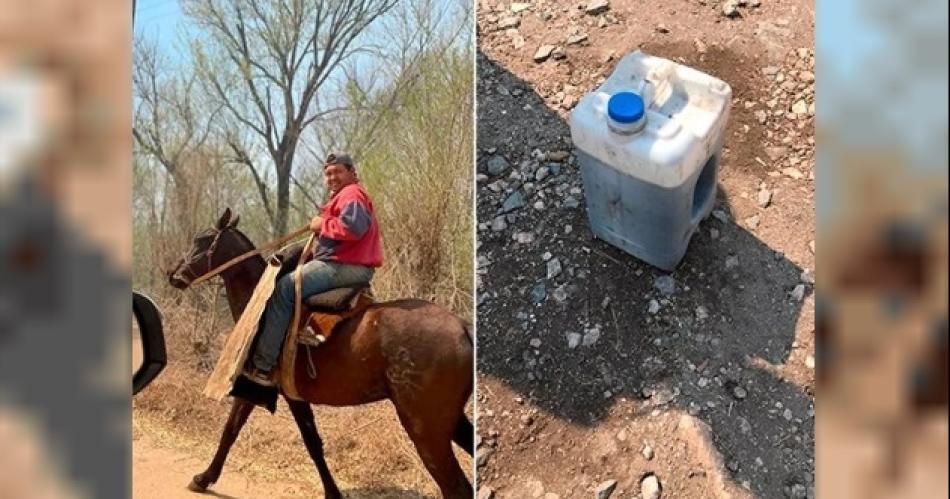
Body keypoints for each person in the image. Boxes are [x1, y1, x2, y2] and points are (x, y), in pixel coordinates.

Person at [244, 153, 383, 386]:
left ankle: (264, 367)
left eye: (337, 171)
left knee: (285, 288)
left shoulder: (352, 193)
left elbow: (355, 228)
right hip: (343, 263)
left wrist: (322, 224)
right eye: (328, 174)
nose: (332, 177)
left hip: (346, 266)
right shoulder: (343, 196)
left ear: (351, 172)